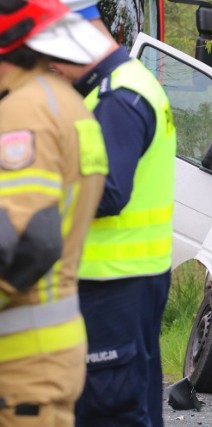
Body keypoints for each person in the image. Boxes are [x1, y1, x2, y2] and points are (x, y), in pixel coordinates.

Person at [50, 1, 177, 425]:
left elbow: (106, 192)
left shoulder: (118, 98)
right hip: (130, 279)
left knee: (110, 412)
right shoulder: (127, 86)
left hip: (112, 284)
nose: (48, 64)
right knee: (133, 404)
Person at [0, 1, 109, 425]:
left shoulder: (25, 111)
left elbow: (29, 239)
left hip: (21, 357)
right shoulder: (68, 103)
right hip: (48, 347)